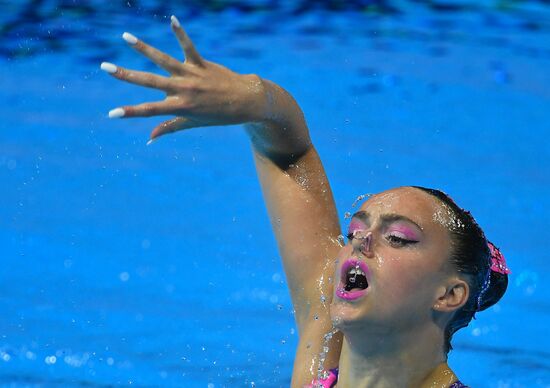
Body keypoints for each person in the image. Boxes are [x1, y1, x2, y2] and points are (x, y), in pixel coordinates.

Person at [100, 15, 510, 387]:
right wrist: (255, 99)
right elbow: (288, 154)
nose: (361, 242)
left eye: (399, 238)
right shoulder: (326, 341)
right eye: (355, 230)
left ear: (448, 294)